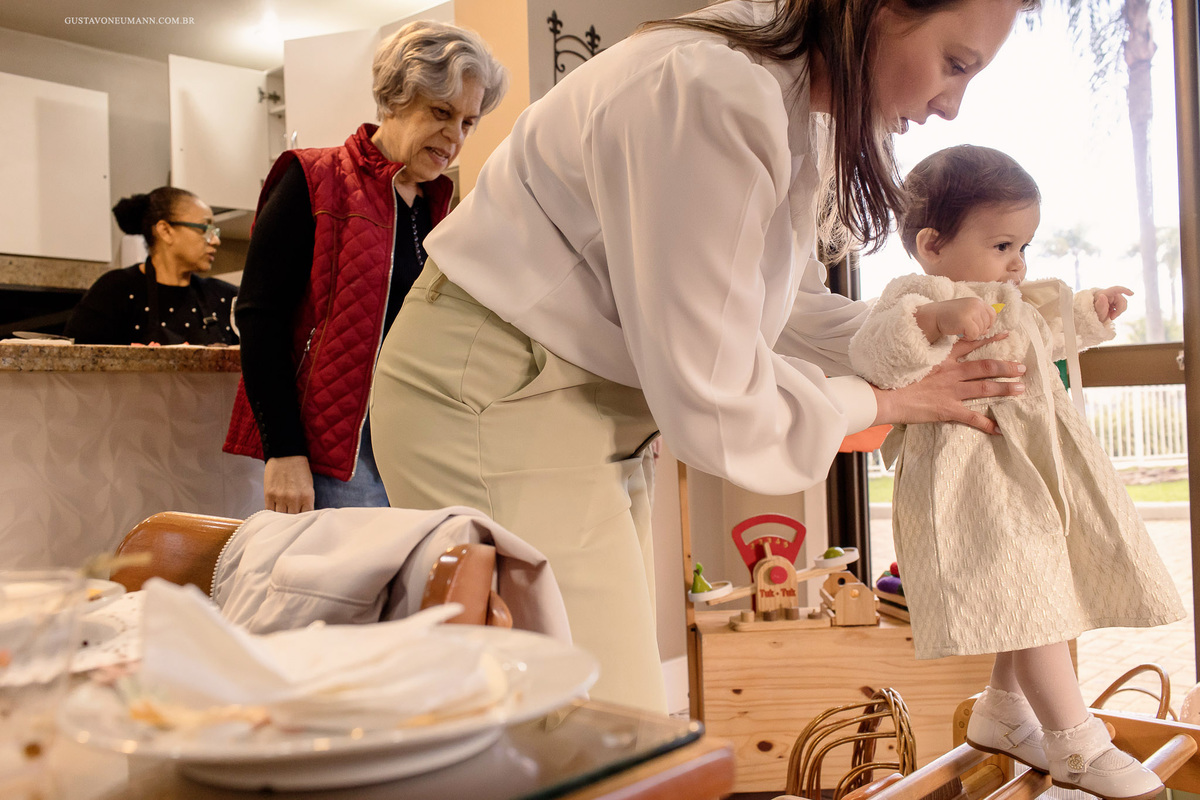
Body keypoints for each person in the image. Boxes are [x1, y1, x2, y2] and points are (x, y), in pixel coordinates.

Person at [369, 0, 1039, 713]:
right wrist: (886, 401)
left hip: (571, 399)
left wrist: (918, 331)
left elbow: (781, 309)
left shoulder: (788, 104)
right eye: (954, 65)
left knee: (585, 716)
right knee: (604, 722)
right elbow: (718, 400)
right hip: (495, 390)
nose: (951, 106)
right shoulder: (717, 92)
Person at [848, 145, 1185, 800]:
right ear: (932, 244)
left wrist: (1090, 313)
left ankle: (1002, 708)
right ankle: (1076, 742)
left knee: (1039, 585)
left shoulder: (1008, 301)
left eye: (1023, 246)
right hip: (974, 481)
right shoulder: (919, 295)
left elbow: (1043, 338)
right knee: (1027, 593)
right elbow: (876, 352)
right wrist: (934, 320)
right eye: (1002, 245)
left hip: (1033, 469)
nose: (1017, 262)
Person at [223, 21, 508, 513]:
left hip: (420, 448)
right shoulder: (312, 178)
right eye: (441, 112)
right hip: (335, 456)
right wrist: (283, 451)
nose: (455, 136)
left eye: (468, 122)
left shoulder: (439, 209)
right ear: (396, 99)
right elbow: (259, 318)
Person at [65, 187, 236, 345]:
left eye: (215, 231)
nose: (216, 240)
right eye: (205, 229)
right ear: (165, 231)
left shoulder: (224, 296)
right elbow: (75, 359)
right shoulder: (114, 291)